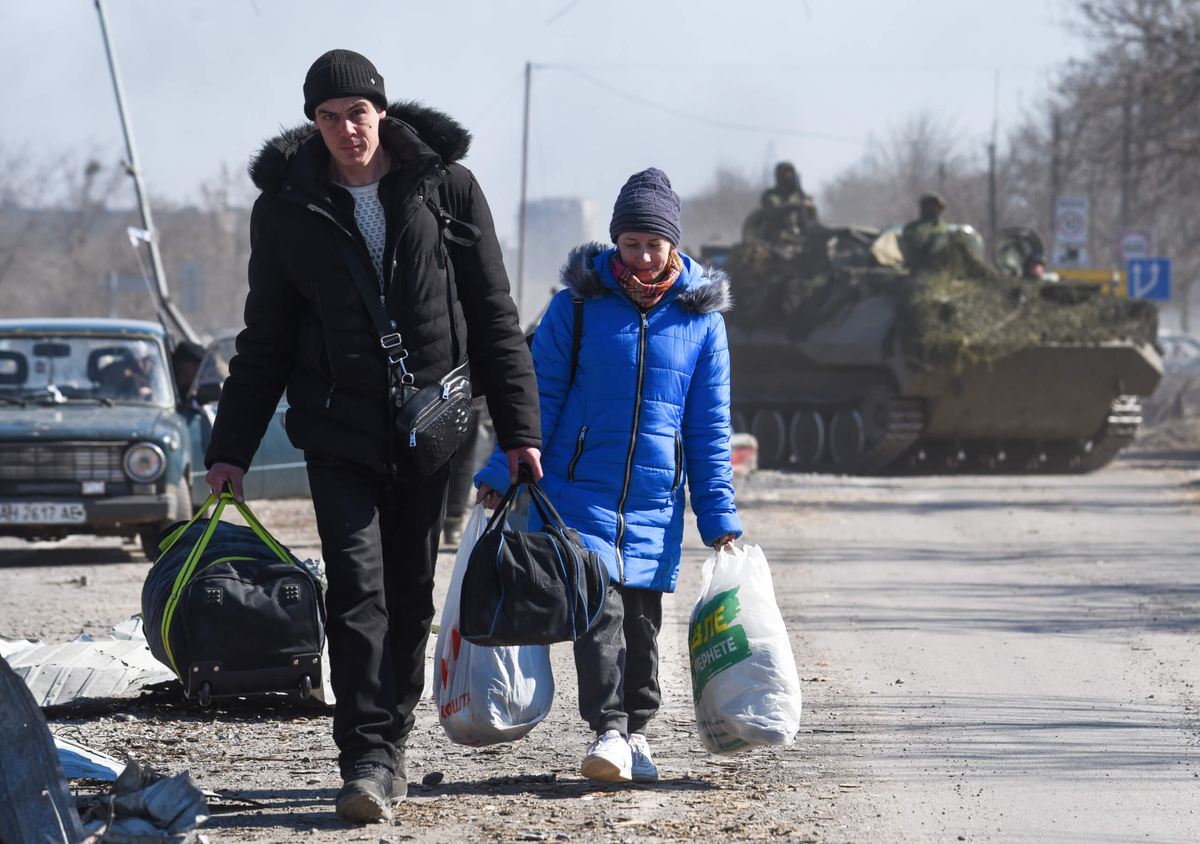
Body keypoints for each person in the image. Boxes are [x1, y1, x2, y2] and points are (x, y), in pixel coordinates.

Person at [203, 50, 541, 824]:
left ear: (381, 112)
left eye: (357, 113)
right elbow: (266, 339)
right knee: (357, 593)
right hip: (336, 430)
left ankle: (394, 733)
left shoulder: (444, 187)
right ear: (313, 123)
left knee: (411, 597)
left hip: (434, 429)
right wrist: (231, 449)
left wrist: (520, 429)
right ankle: (364, 758)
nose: (346, 130)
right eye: (328, 117)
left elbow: (492, 312)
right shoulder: (287, 206)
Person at [476, 168, 742, 785]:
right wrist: (500, 466)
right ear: (614, 243)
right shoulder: (578, 303)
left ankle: (637, 732)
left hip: (654, 502)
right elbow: (535, 394)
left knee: (645, 629)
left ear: (674, 244)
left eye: (654, 244)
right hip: (580, 493)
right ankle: (608, 730)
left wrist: (719, 516)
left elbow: (709, 428)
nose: (642, 258)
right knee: (599, 612)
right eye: (630, 244)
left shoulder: (703, 320)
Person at [758, 161, 818, 242]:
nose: (789, 177)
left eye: (791, 173)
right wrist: (795, 206)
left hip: (801, 235)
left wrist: (810, 207)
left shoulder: (801, 195)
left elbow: (813, 218)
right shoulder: (770, 195)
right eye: (786, 174)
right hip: (776, 236)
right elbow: (773, 210)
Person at [899, 192, 949, 269]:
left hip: (942, 267)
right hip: (917, 268)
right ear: (924, 207)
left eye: (937, 206)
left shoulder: (947, 229)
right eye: (931, 206)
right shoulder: (913, 228)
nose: (934, 209)